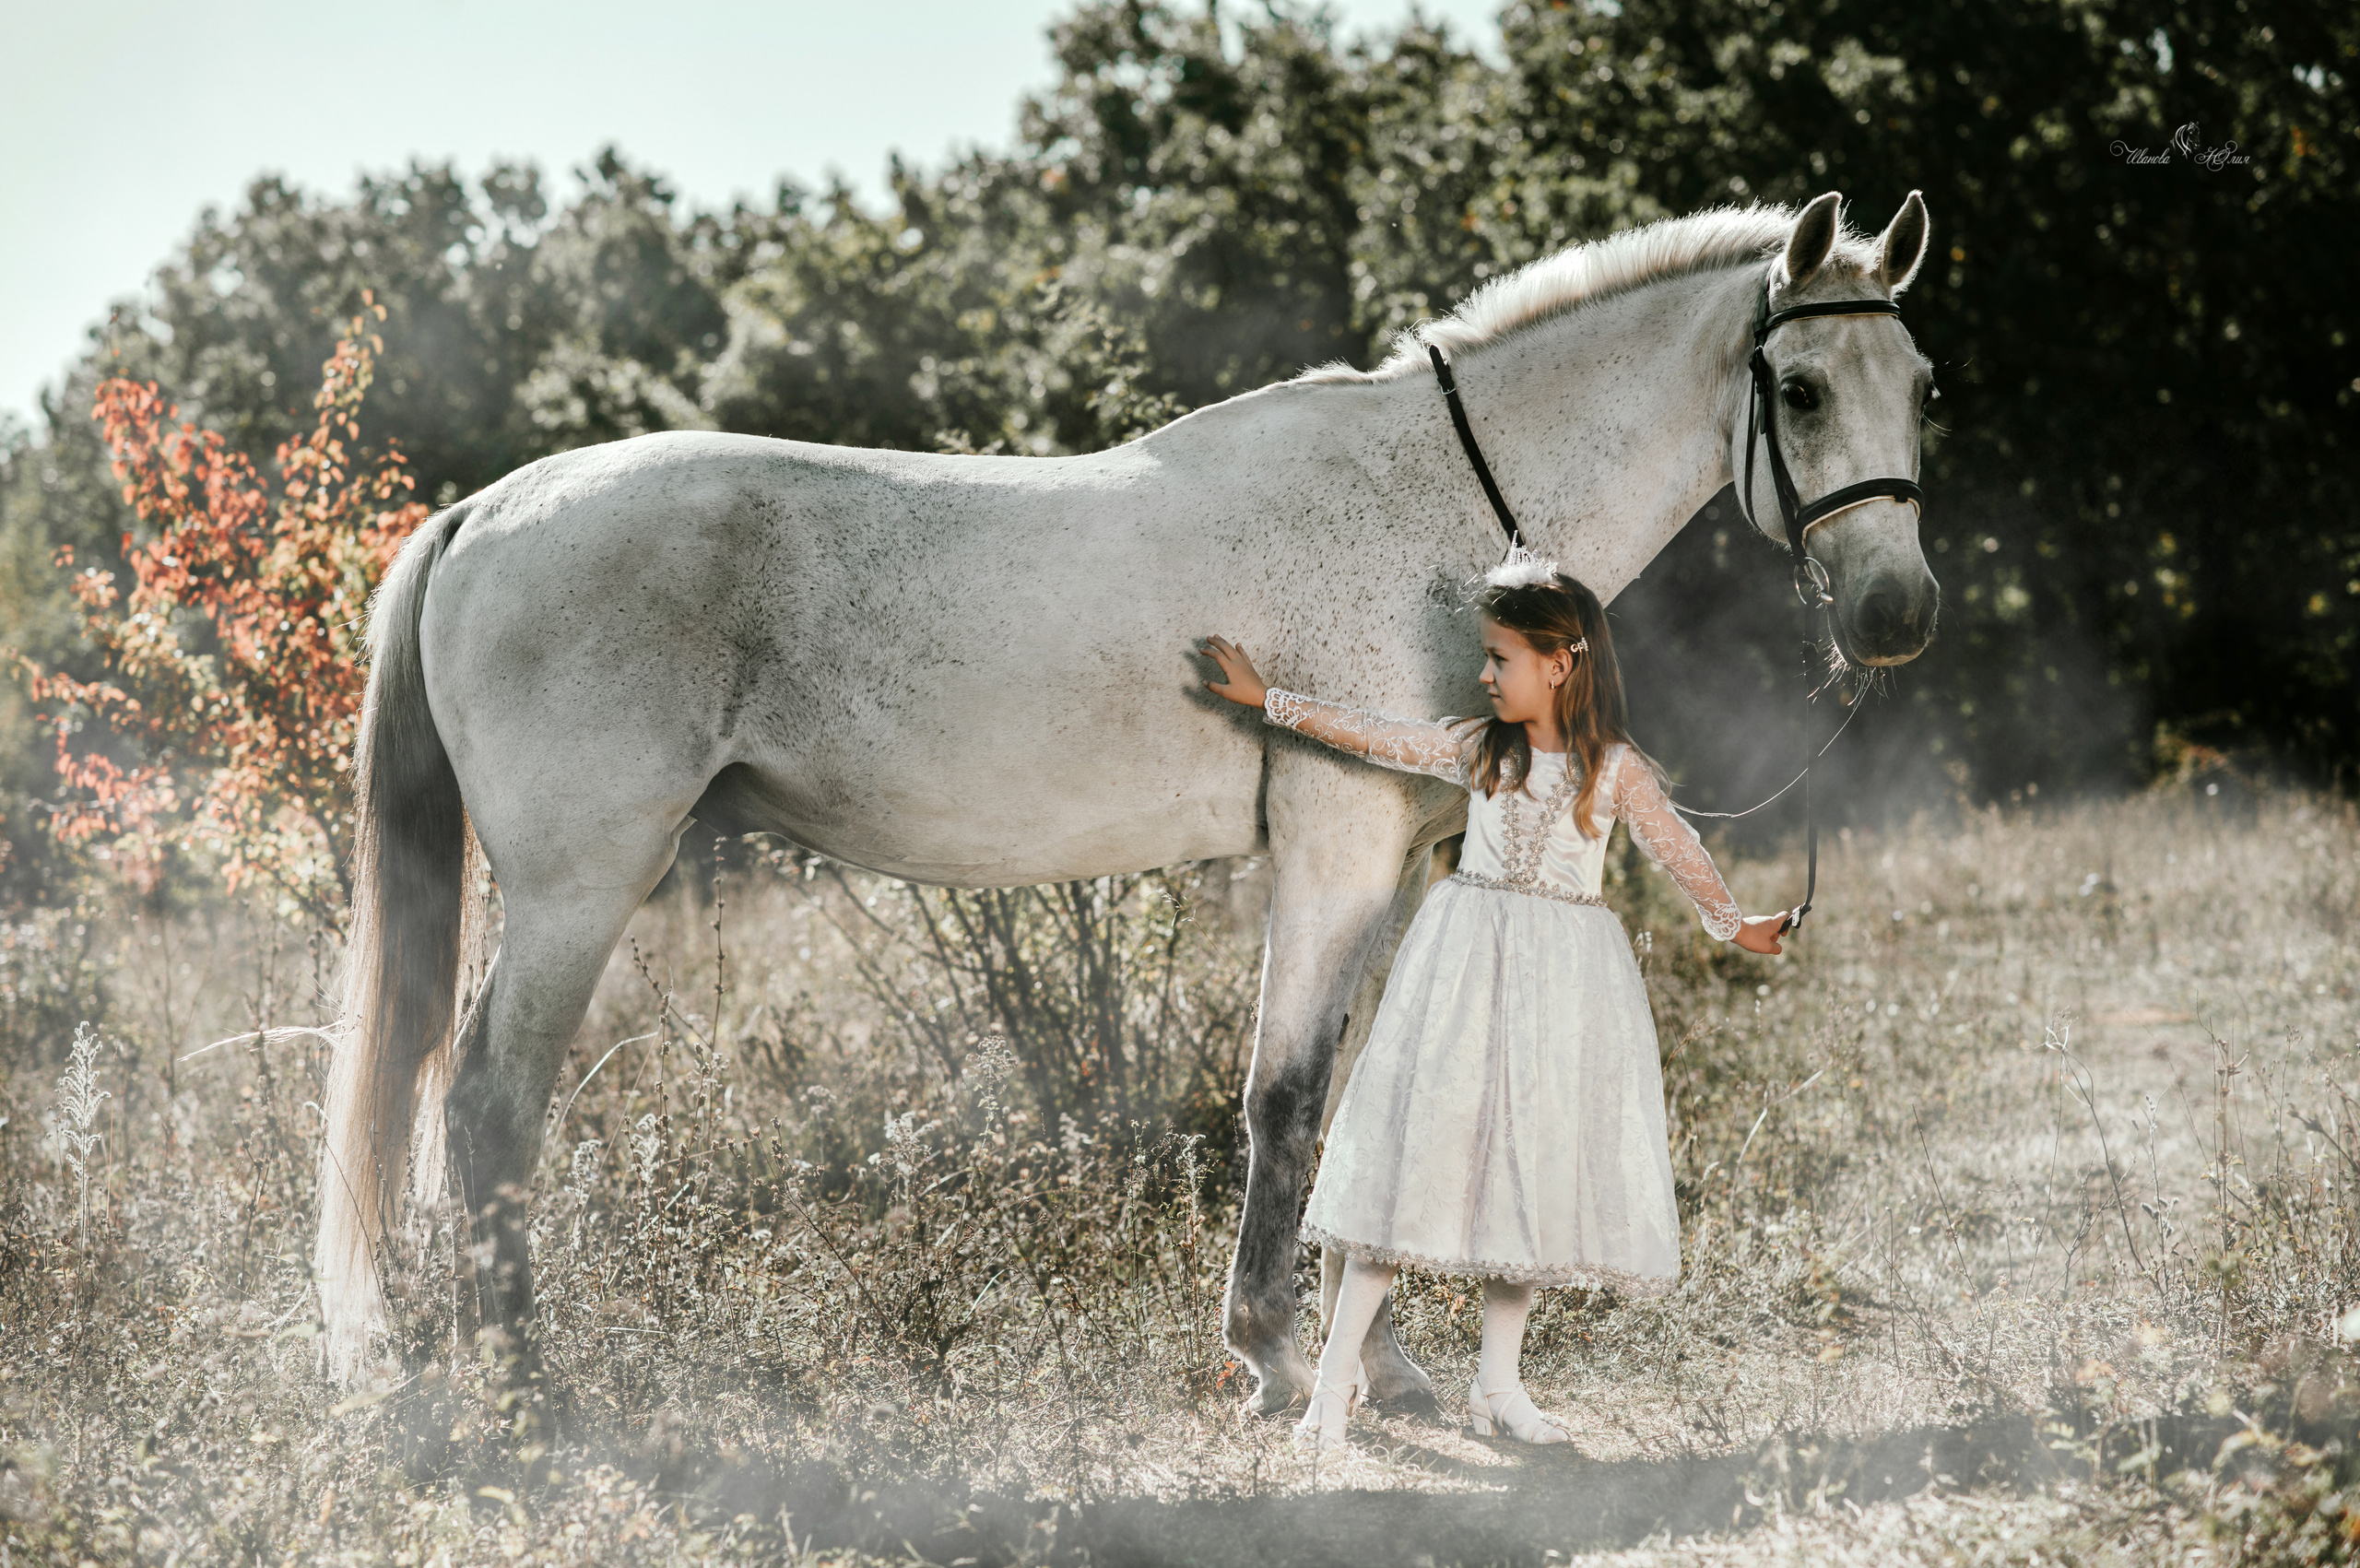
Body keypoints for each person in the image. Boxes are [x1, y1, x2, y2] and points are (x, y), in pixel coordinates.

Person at [1199, 551, 1788, 1452]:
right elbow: (1368, 734)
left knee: (1531, 1175)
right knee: (1407, 1166)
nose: (1483, 673)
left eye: (1499, 657)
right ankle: (1333, 1385)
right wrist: (1264, 698)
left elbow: (1677, 848)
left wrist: (1734, 924)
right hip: (1466, 973)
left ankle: (1498, 1388)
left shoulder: (1615, 769)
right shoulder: (1481, 748)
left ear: (1560, 663)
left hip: (1563, 985)